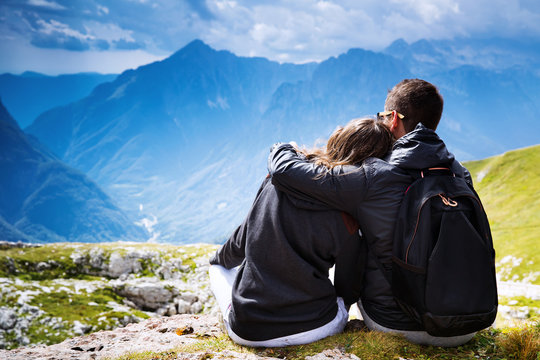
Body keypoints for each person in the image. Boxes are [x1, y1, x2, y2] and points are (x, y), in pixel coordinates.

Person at [268, 79, 477, 347]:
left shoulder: (374, 175)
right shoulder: (459, 173)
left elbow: (287, 172)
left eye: (382, 116)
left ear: (393, 119)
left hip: (397, 322)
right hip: (467, 324)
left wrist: (282, 148)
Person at [209, 118, 394, 347]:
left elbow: (237, 246)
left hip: (248, 330)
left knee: (217, 269)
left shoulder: (275, 181)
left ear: (337, 140)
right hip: (314, 327)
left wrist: (217, 261)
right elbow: (347, 288)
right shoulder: (350, 215)